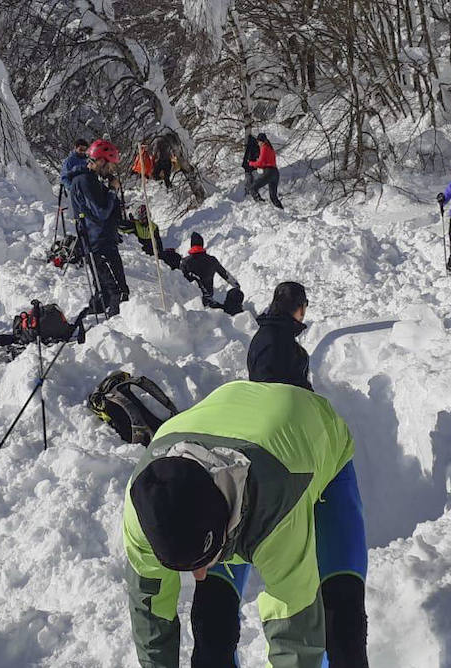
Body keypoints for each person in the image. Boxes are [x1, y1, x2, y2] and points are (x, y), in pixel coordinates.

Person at [122, 380, 368, 668]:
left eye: (204, 560)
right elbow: (150, 611)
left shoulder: (276, 506)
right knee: (212, 642)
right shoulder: (145, 506)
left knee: (341, 634)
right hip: (232, 416)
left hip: (311, 440)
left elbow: (294, 635)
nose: (198, 575)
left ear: (226, 521)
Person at [68, 139, 131, 315]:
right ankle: (117, 333)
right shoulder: (85, 181)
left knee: (108, 294)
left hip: (102, 242)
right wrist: (111, 190)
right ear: (101, 161)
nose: (111, 170)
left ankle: (103, 325)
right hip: (98, 244)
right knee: (117, 293)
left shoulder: (91, 180)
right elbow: (101, 212)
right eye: (110, 165)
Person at [247, 281, 311, 390]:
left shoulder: (270, 333)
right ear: (300, 308)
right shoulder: (277, 341)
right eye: (306, 304)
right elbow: (268, 388)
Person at [180, 232, 239, 310]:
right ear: (202, 245)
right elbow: (225, 274)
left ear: (192, 245)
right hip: (209, 300)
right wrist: (237, 286)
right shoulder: (212, 260)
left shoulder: (185, 262)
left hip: (192, 303)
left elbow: (180, 281)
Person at [248, 133, 283, 209]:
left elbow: (260, 163)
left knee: (253, 188)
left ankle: (262, 206)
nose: (258, 143)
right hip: (275, 173)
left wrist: (251, 163)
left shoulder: (264, 147)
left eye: (258, 142)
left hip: (269, 172)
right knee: (273, 197)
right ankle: (282, 211)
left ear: (261, 141)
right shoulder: (271, 148)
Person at [241, 130, 259, 197]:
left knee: (249, 178)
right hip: (250, 165)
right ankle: (250, 193)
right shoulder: (255, 145)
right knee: (251, 179)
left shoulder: (251, 144)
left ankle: (249, 192)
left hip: (248, 164)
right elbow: (257, 154)